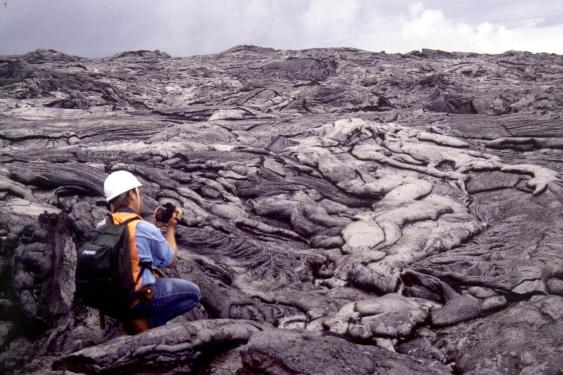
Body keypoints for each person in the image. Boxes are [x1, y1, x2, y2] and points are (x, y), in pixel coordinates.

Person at [103, 170, 201, 333]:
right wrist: (171, 228)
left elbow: (131, 252)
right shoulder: (143, 228)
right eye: (138, 192)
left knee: (151, 277)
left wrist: (154, 227)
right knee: (194, 294)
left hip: (109, 301)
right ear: (133, 194)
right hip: (135, 299)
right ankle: (146, 324)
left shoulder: (103, 224)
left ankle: (131, 317)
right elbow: (171, 261)